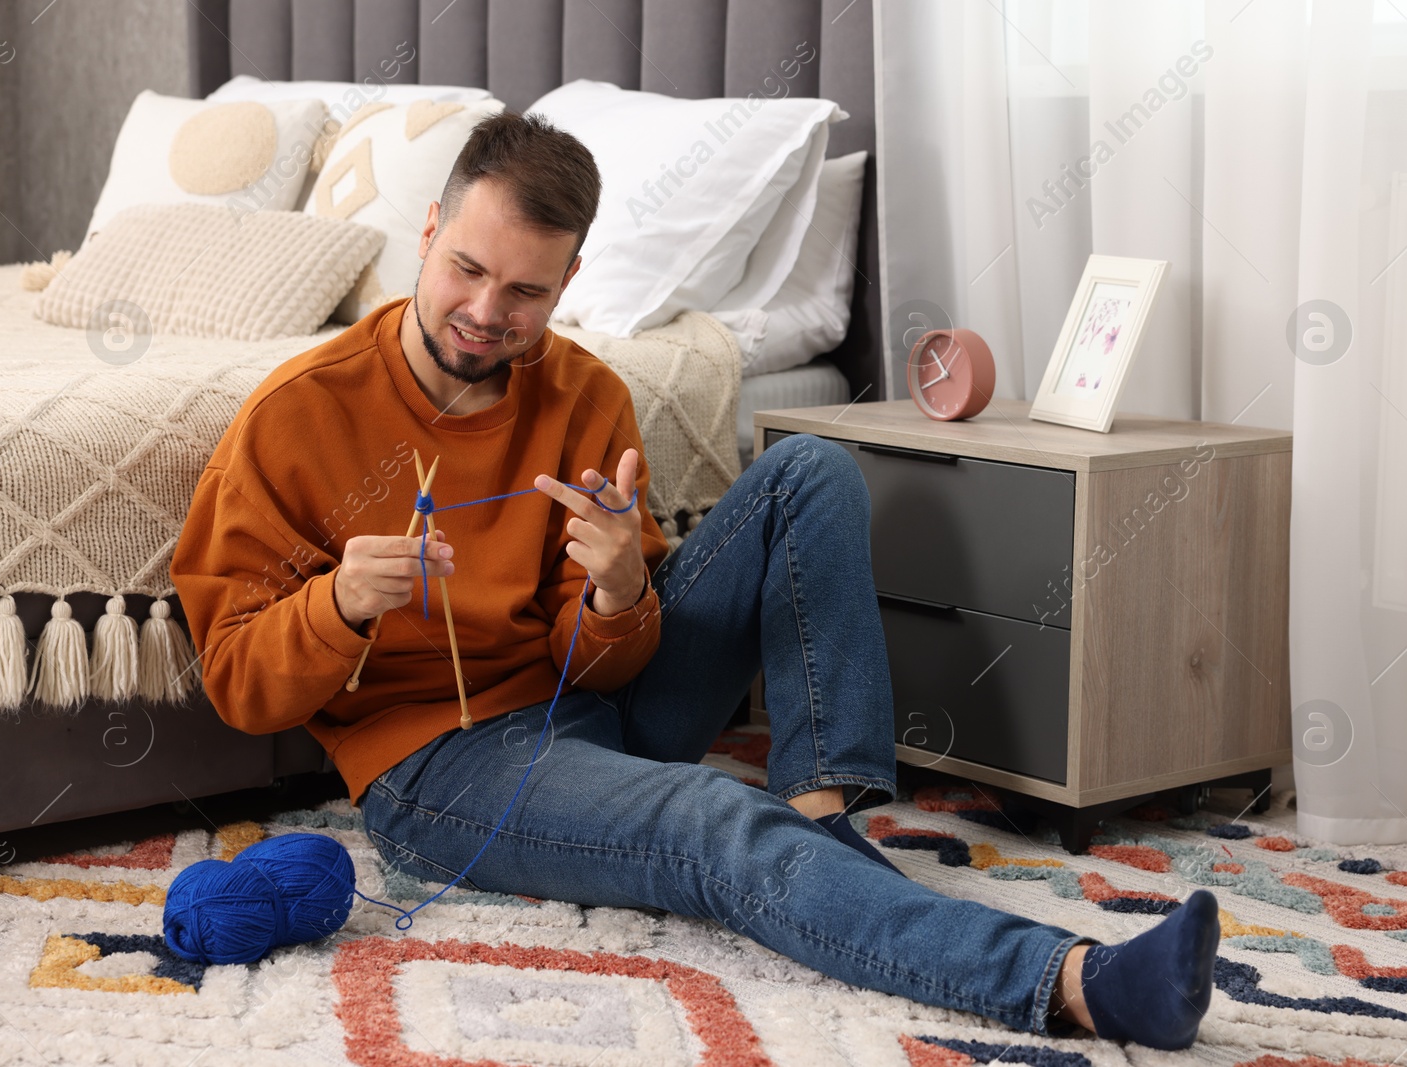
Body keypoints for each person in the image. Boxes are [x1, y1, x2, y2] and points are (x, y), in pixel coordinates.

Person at [170, 111, 1220, 1050]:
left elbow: (597, 660)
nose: (487, 309)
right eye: (465, 269)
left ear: (569, 281)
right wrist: (339, 603)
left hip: (588, 703)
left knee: (811, 467)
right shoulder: (297, 413)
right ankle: (1078, 981)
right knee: (712, 820)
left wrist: (623, 589)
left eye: (527, 290)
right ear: (431, 229)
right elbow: (235, 681)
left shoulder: (584, 392)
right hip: (441, 768)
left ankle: (818, 816)